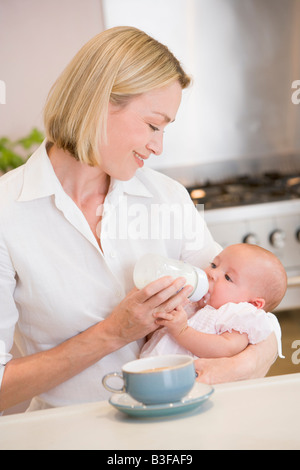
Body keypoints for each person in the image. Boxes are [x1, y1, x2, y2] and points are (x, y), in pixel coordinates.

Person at [0, 27, 278, 413]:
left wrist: (243, 363)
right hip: (70, 436)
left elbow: (247, 308)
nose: (158, 146)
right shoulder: (8, 213)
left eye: (165, 129)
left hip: (181, 428)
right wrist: (113, 333)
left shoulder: (167, 198)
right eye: (152, 125)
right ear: (98, 102)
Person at [140, 244, 287, 359]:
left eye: (228, 277)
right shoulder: (193, 303)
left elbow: (225, 348)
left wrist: (183, 331)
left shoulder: (238, 315)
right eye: (214, 265)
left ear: (253, 304)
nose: (212, 273)